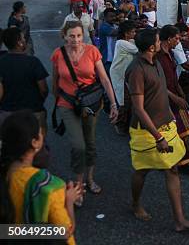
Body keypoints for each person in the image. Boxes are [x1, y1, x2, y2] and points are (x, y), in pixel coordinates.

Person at [125, 29, 189, 231]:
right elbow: (139, 109)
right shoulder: (136, 70)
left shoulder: (156, 61)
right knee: (142, 171)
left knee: (172, 168)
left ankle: (179, 220)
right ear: (152, 47)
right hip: (147, 132)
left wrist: (172, 106)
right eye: (159, 41)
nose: (161, 43)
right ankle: (135, 204)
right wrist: (158, 137)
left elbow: (160, 89)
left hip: (165, 126)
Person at [51, 21, 118, 207]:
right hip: (67, 104)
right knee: (78, 145)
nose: (76, 40)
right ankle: (78, 184)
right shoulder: (58, 54)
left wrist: (113, 104)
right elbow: (55, 82)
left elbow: (104, 78)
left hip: (90, 103)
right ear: (64, 35)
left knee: (90, 142)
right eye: (71, 36)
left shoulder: (92, 51)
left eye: (79, 36)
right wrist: (56, 104)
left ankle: (89, 178)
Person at [0, 112, 80, 244]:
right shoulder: (48, 186)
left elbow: (6, 231)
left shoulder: (5, 174)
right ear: (35, 142)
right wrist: (69, 201)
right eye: (40, 132)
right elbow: (65, 231)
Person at [158, 25, 189, 175]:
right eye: (176, 38)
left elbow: (173, 76)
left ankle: (180, 160)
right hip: (165, 99)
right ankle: (177, 162)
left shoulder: (169, 53)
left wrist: (180, 91)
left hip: (174, 94)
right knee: (174, 132)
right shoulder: (158, 57)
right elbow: (158, 83)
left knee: (182, 131)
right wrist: (175, 97)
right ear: (168, 39)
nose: (179, 41)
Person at [0, 27, 49, 131]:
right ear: (19, 43)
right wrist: (39, 101)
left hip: (7, 113)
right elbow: (43, 89)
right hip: (33, 112)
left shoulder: (1, 62)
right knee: (36, 144)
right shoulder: (33, 62)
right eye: (22, 38)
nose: (24, 40)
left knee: (11, 145)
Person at [109, 21, 139, 135]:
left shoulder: (130, 41)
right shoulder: (121, 43)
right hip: (118, 73)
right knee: (123, 100)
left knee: (128, 98)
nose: (134, 33)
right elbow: (137, 50)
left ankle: (125, 123)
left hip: (125, 74)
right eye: (133, 32)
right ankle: (119, 124)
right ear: (126, 34)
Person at [98, 8, 119, 73]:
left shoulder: (115, 26)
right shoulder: (103, 27)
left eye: (114, 16)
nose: (113, 18)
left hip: (114, 58)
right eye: (111, 16)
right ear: (105, 17)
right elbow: (115, 33)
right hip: (107, 58)